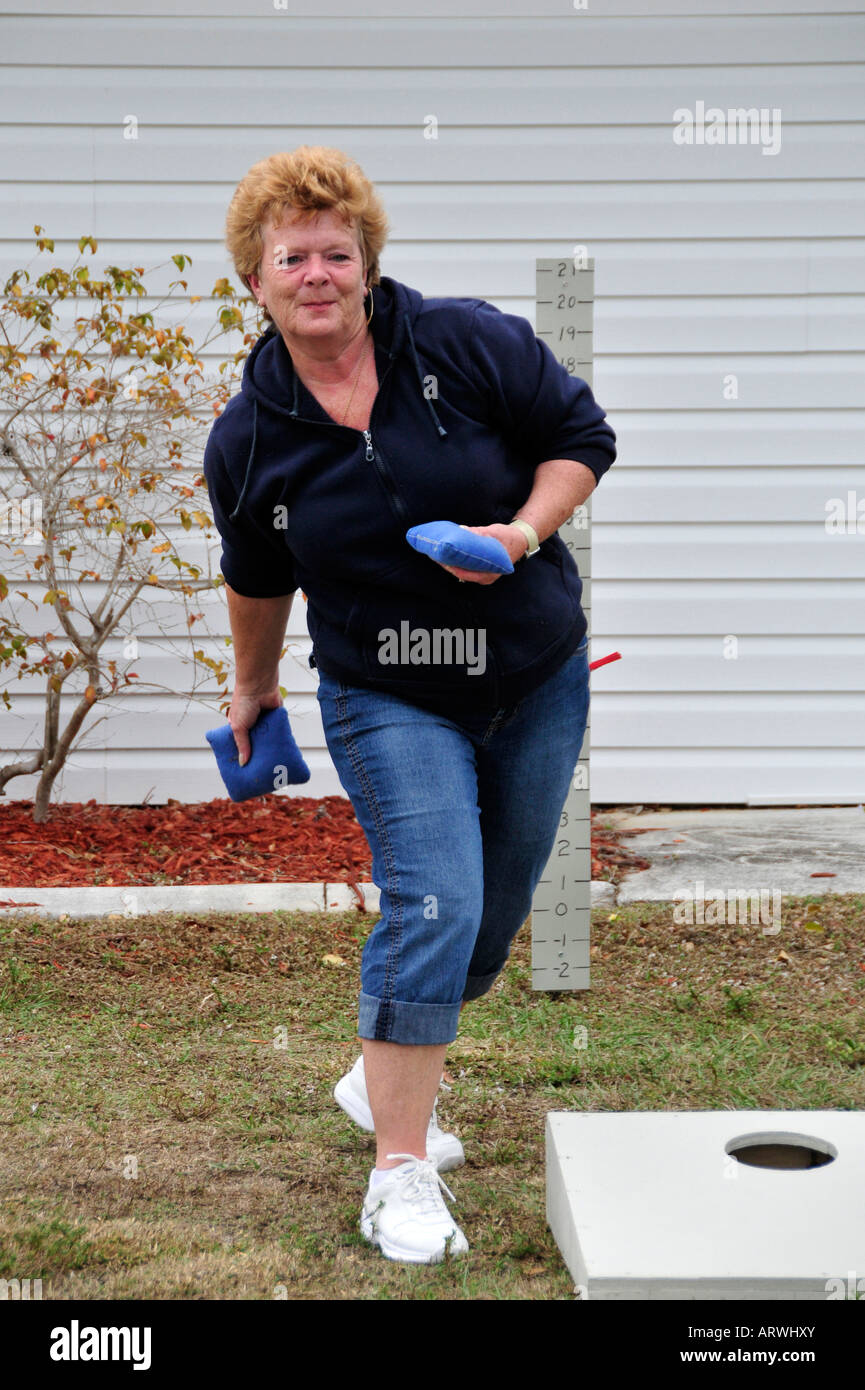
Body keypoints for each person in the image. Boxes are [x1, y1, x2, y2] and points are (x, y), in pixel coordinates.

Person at [204, 145, 616, 1265]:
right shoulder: (250, 439)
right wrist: (252, 690)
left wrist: (517, 536)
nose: (317, 272)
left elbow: (581, 442)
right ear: (257, 277)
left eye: (338, 251)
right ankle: (399, 1168)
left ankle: (376, 1065)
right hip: (388, 692)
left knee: (481, 925)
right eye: (292, 255)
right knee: (432, 901)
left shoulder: (467, 343)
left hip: (533, 676)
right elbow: (258, 576)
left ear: (369, 264)